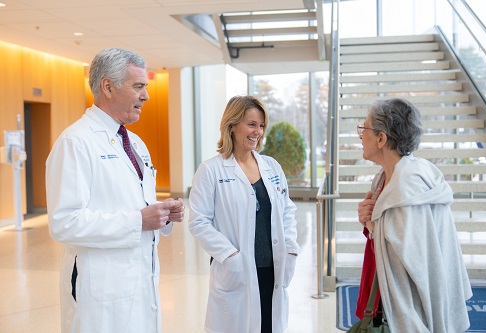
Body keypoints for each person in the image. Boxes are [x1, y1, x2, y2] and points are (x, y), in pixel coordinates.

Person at [45, 48, 184, 333]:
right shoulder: (75, 142)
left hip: (139, 279)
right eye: (138, 87)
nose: (146, 96)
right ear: (108, 86)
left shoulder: (134, 142)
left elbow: (131, 201)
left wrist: (162, 213)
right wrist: (138, 220)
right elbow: (64, 223)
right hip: (100, 289)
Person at [355, 98, 472, 332]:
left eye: (364, 128)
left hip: (407, 311)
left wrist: (372, 222)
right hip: (382, 296)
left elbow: (416, 260)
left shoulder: (407, 184)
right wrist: (369, 222)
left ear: (381, 138)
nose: (360, 135)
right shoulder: (385, 178)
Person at [188, 95, 300, 333]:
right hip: (237, 270)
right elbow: (199, 222)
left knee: (269, 325)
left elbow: (287, 209)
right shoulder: (210, 170)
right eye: (251, 124)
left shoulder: (272, 166)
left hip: (273, 266)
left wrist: (290, 247)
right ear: (232, 124)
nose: (257, 132)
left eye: (261, 126)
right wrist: (229, 256)